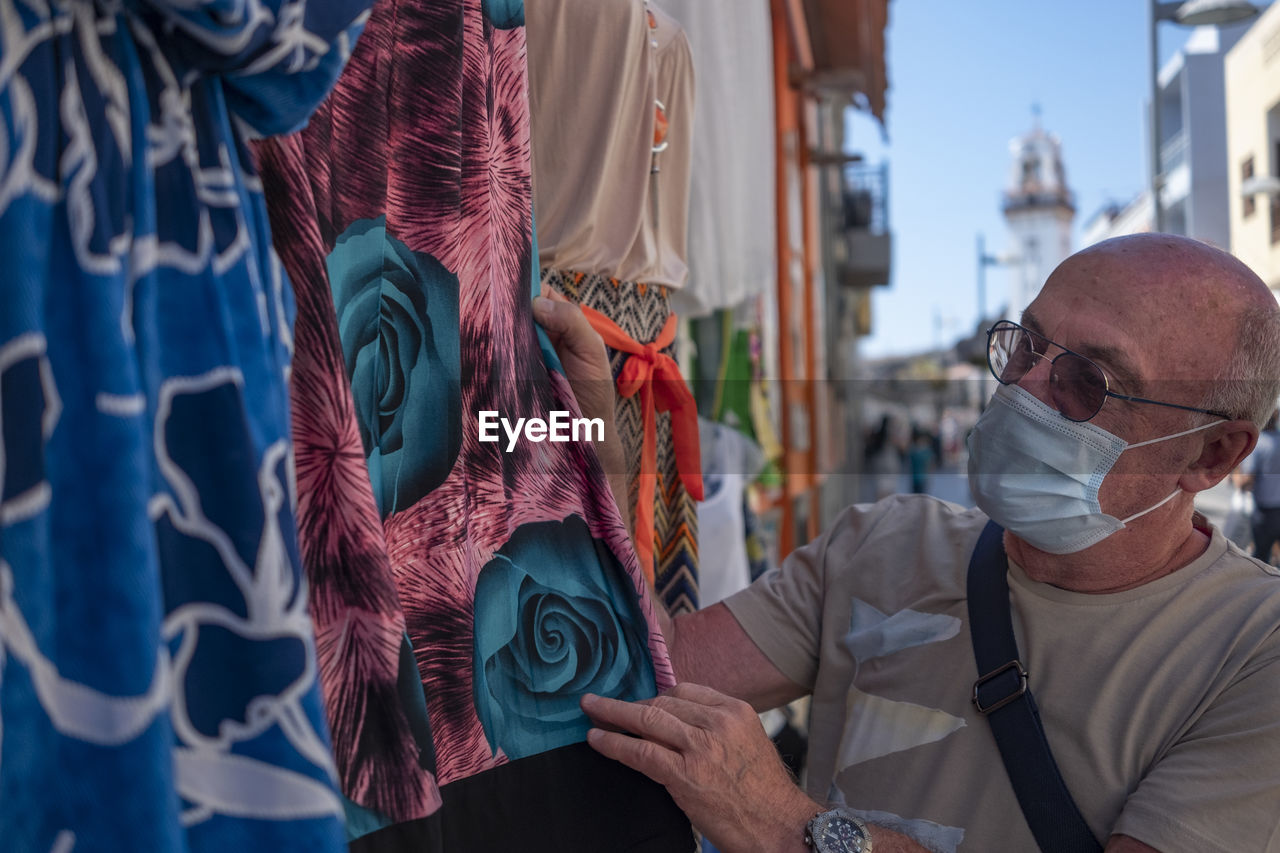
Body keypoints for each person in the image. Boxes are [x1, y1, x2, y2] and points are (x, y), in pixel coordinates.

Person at [561, 235, 1280, 852]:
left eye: (1087, 381)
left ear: (1212, 454)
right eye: (1027, 344)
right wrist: (595, 449)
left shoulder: (1251, 650)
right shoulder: (885, 542)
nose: (1023, 390)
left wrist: (787, 827)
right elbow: (658, 666)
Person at [1239, 411, 1280, 565]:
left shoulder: (1258, 443)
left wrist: (1240, 484)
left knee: (1260, 557)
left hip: (1265, 512)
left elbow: (1248, 480)